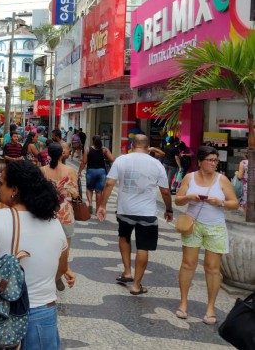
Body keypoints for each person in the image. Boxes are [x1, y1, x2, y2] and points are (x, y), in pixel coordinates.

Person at [0, 161, 73, 350]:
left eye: (2, 183)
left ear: (15, 190)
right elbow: (61, 269)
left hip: (3, 315)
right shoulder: (54, 223)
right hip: (43, 315)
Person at [97, 134, 173, 296]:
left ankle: (127, 271)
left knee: (124, 237)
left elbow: (109, 183)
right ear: (148, 147)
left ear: (132, 145)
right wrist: (169, 209)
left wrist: (102, 205)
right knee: (143, 246)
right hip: (147, 212)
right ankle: (136, 285)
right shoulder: (156, 164)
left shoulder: (121, 160)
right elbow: (166, 191)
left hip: (125, 210)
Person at [174, 146, 239, 324]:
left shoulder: (222, 179)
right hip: (193, 225)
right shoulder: (189, 177)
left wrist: (220, 202)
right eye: (210, 160)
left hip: (215, 227)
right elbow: (178, 200)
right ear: (200, 161)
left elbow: (235, 203)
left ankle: (211, 308)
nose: (214, 163)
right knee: (188, 264)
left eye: (216, 160)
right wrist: (190, 197)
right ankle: (183, 303)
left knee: (212, 268)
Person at [41, 142, 80, 292]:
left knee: (46, 245)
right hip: (65, 212)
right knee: (65, 247)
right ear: (61, 154)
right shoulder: (70, 171)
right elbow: (75, 194)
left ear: (49, 154)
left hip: (47, 211)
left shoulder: (42, 170)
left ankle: (48, 275)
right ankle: (59, 273)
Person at [78, 135, 115, 214]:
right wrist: (106, 157)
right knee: (99, 191)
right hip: (102, 172)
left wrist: (79, 171)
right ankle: (98, 209)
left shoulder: (88, 149)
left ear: (93, 141)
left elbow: (84, 162)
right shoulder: (104, 149)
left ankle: (90, 204)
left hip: (91, 171)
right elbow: (112, 159)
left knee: (89, 189)